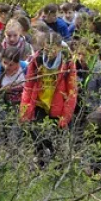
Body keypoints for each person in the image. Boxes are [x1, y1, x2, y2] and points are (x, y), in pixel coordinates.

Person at [20, 32, 78, 165]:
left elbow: (72, 91)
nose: (49, 53)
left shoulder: (68, 62)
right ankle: (40, 162)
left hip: (58, 106)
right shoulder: (36, 59)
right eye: (47, 49)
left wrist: (65, 116)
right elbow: (28, 85)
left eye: (53, 50)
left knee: (56, 138)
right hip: (40, 104)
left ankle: (56, 165)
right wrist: (24, 109)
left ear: (59, 48)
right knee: (37, 134)